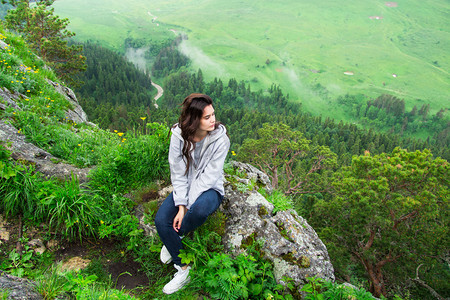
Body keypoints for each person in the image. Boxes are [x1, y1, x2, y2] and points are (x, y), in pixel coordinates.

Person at [155, 93, 230, 294]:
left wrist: (185, 207)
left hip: (210, 188)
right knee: (161, 220)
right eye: (207, 117)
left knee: (198, 211)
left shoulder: (221, 140)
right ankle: (184, 268)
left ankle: (175, 238)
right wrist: (180, 203)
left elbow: (209, 177)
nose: (213, 119)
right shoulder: (179, 136)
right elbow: (177, 171)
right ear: (194, 119)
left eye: (213, 114)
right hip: (185, 185)